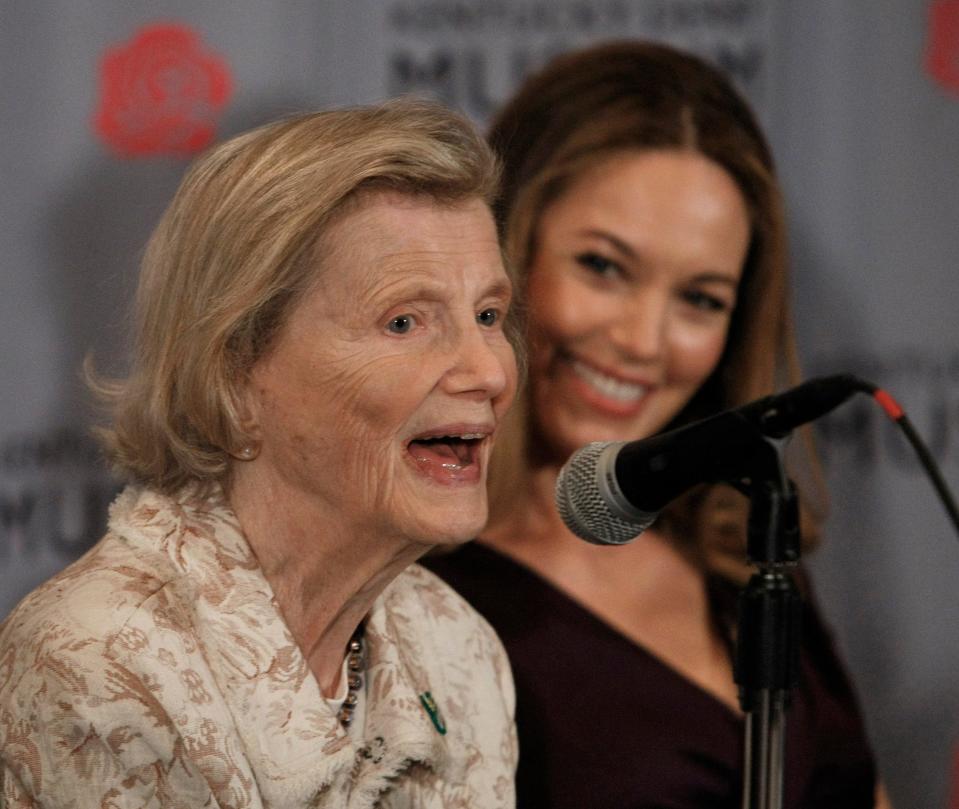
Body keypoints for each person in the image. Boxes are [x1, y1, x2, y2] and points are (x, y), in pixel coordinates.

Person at [0, 99, 520, 808]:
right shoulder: (102, 658)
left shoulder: (457, 647)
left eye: (488, 315)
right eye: (404, 321)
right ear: (236, 374)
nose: (488, 372)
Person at [424, 41, 888, 808]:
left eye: (699, 300)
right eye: (603, 267)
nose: (644, 342)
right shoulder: (416, 577)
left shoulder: (744, 558)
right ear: (506, 249)